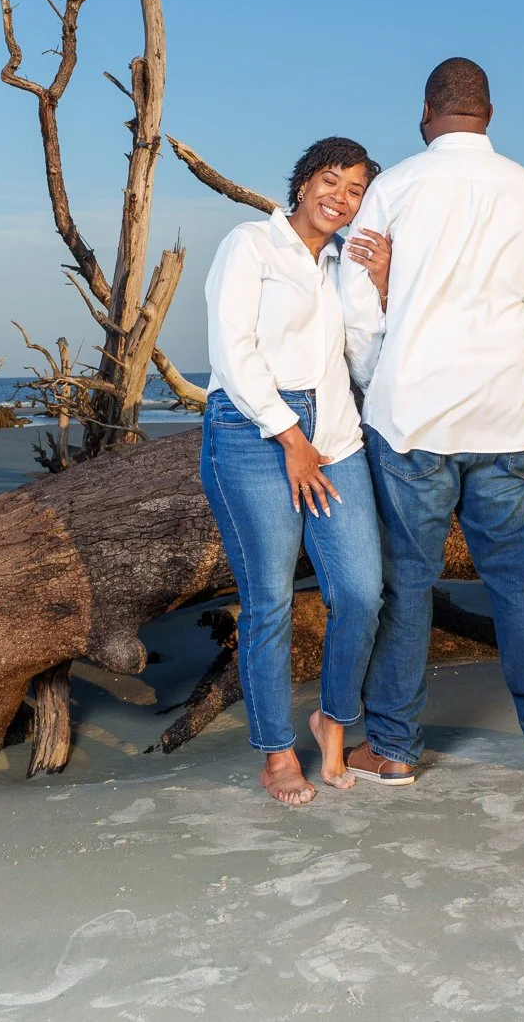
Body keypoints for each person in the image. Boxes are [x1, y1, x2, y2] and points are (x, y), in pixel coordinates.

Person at [337, 57, 524, 786]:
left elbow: (359, 311)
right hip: (504, 418)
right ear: (489, 113)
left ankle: (392, 746)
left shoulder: (394, 188)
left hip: (414, 414)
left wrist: (373, 384)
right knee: (514, 576)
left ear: (428, 111)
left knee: (408, 582)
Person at [199, 136, 394, 806]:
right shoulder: (250, 244)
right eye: (331, 181)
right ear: (304, 180)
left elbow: (366, 352)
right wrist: (289, 435)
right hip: (254, 430)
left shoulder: (344, 263)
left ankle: (332, 721)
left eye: (355, 190)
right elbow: (231, 348)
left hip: (336, 434)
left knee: (362, 591)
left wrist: (383, 283)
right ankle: (277, 752)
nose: (340, 198)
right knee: (270, 599)